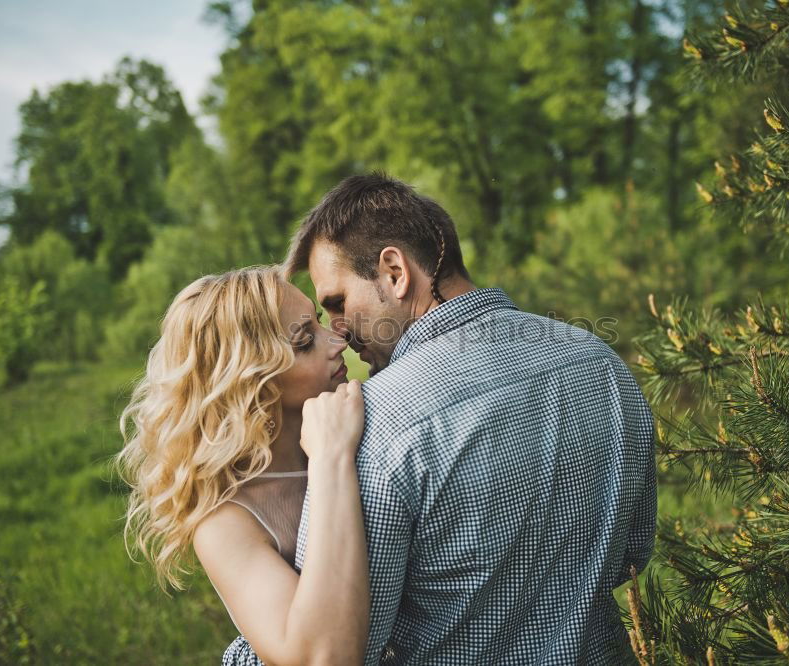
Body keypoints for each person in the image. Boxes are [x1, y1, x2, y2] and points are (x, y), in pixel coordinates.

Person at [227, 173, 658, 664]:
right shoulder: (599, 362)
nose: (340, 334)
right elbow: (632, 555)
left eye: (338, 304)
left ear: (394, 272)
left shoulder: (373, 425)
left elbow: (341, 645)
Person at [117, 265, 370, 665]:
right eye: (305, 341)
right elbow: (317, 658)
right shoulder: (225, 519)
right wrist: (331, 458)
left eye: (318, 324)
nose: (336, 341)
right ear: (250, 380)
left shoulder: (355, 419)